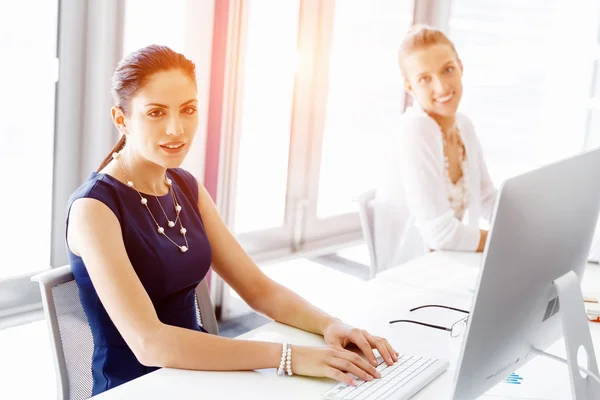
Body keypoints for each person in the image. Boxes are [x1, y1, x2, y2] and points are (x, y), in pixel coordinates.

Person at [65, 44, 398, 396]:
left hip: (201, 376)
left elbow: (259, 290)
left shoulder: (184, 187)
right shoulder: (94, 208)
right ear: (121, 119)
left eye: (188, 110)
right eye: (156, 113)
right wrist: (288, 357)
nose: (176, 129)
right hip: (140, 388)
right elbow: (151, 343)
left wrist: (331, 325)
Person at [373, 25, 497, 271]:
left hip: (450, 266)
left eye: (448, 70)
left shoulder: (464, 125)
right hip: (413, 276)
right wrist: (504, 242)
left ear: (461, 67)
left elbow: (487, 199)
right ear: (410, 87)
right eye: (424, 79)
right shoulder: (416, 129)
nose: (441, 87)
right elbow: (441, 235)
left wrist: (536, 228)